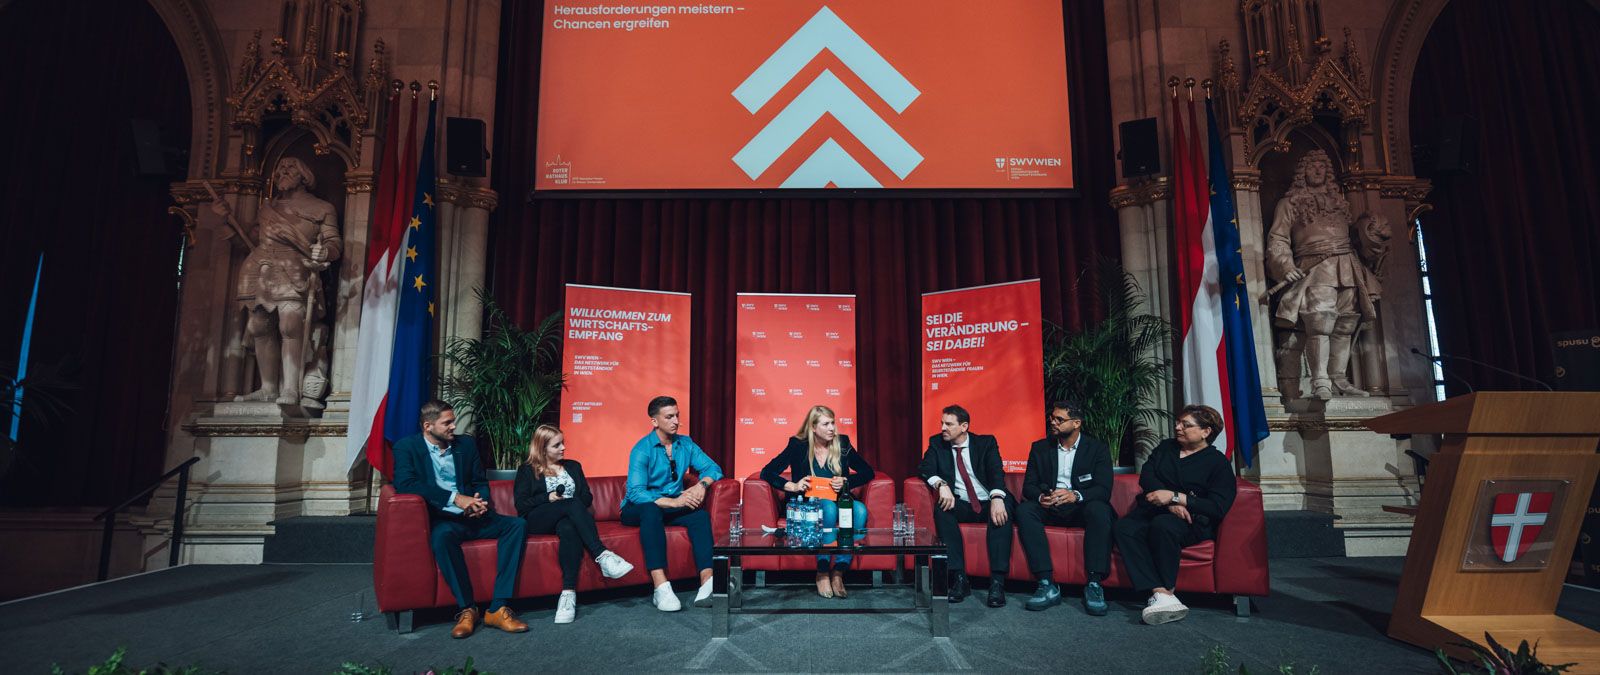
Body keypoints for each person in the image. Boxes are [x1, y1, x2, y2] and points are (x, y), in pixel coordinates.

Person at [390, 400, 529, 638]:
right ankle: (468, 609)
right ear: (428, 426)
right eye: (447, 423)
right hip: (444, 519)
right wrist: (456, 499)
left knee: (517, 525)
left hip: (475, 516)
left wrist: (478, 501)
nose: (453, 426)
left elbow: (479, 481)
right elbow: (406, 484)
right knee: (441, 537)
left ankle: (497, 608)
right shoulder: (407, 447)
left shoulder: (466, 444)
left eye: (453, 421)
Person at [1114, 404, 1237, 625]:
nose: (1178, 427)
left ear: (1205, 432)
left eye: (1186, 425)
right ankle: (1162, 594)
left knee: (1164, 526)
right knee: (1124, 528)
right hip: (1155, 510)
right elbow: (1147, 477)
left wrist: (1176, 497)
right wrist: (1169, 503)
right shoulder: (1166, 448)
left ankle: (1167, 589)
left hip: (1191, 520)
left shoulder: (1217, 463)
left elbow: (1217, 506)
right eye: (1178, 422)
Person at [514, 424, 636, 624]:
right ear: (543, 448)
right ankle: (602, 555)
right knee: (570, 505)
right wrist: (548, 497)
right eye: (557, 445)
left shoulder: (573, 466)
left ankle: (568, 594)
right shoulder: (527, 471)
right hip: (539, 519)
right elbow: (521, 505)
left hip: (568, 518)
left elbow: (587, 496)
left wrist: (571, 503)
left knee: (568, 527)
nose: (563, 448)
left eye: (563, 443)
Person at [760, 405, 875, 599]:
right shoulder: (798, 445)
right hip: (810, 504)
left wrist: (847, 481)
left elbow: (868, 472)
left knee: (860, 510)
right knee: (828, 508)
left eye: (833, 423)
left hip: (839, 500)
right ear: (813, 428)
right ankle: (822, 570)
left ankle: (839, 569)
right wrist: (792, 486)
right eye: (826, 424)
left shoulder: (842, 443)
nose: (832, 428)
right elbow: (767, 472)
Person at [621, 395, 723, 611]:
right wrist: (674, 502)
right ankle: (661, 587)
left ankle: (707, 582)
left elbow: (713, 468)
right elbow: (636, 493)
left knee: (699, 516)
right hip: (637, 509)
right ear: (655, 421)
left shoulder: (685, 443)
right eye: (669, 417)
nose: (676, 421)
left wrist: (701, 486)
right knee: (650, 510)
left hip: (669, 507)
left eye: (677, 415)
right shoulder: (642, 449)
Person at [1015, 401, 1116, 614]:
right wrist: (1042, 496)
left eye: (1059, 419)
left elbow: (1103, 489)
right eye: (1052, 418)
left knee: (1100, 510)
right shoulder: (1040, 448)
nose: (1053, 422)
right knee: (1025, 511)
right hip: (1051, 506)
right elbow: (1028, 486)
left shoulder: (1097, 449)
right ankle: (1045, 583)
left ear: (1076, 423)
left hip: (1081, 506)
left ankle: (1094, 584)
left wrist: (1075, 495)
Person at [917, 405, 1015, 606]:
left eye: (948, 424)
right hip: (961, 502)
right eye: (942, 423)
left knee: (1001, 514)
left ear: (964, 426)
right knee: (942, 510)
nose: (943, 427)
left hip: (987, 500)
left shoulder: (985, 443)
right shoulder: (937, 443)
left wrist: (997, 498)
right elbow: (925, 468)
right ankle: (959, 579)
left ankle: (997, 582)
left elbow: (997, 472)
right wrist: (941, 484)